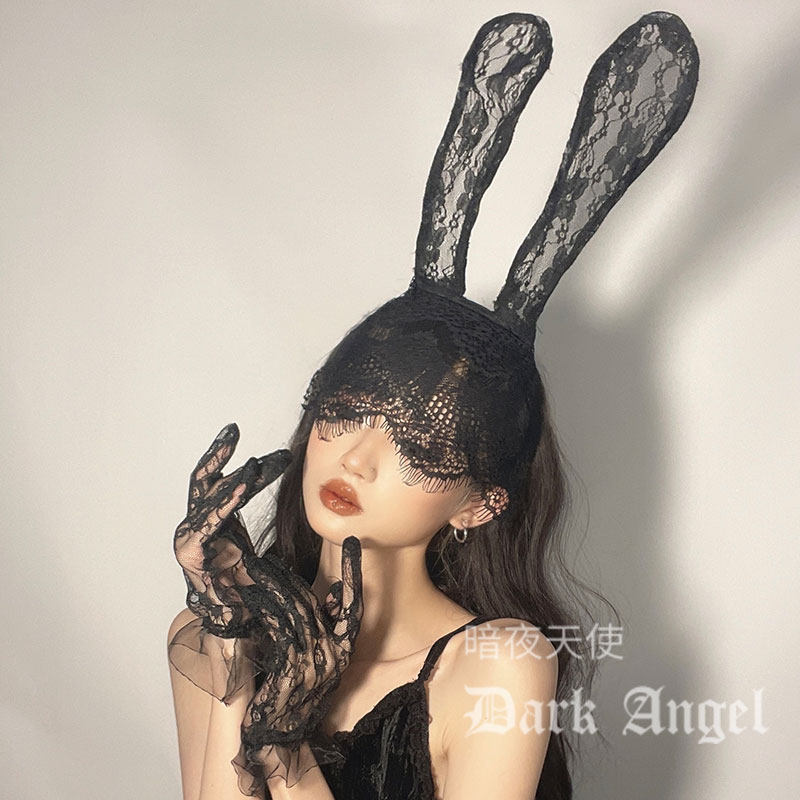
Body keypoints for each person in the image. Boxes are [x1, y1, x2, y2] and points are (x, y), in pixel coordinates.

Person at [167, 10, 698, 800]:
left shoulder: (501, 665)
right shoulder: (206, 631)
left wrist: (283, 744)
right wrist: (232, 646)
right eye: (347, 411)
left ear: (480, 505)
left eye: (419, 446)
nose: (357, 458)